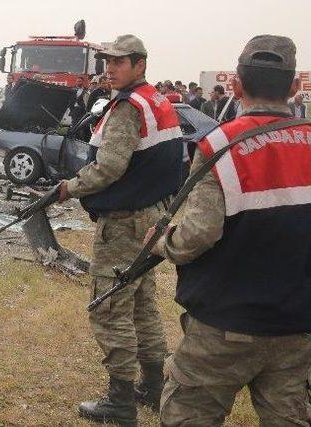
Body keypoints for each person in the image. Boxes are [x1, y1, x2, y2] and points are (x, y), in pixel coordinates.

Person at [145, 34, 311, 427]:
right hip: (298, 327)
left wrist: (161, 243)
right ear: (294, 87)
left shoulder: (220, 144)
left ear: (236, 84)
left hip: (225, 326)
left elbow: (198, 235)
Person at [57, 34, 183, 425]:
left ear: (140, 64)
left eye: (119, 62)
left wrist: (69, 188)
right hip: (152, 216)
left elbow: (109, 168)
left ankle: (121, 401)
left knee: (109, 308)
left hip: (127, 223)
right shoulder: (157, 100)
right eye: (106, 61)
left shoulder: (129, 106)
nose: (109, 68)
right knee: (142, 305)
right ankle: (153, 387)